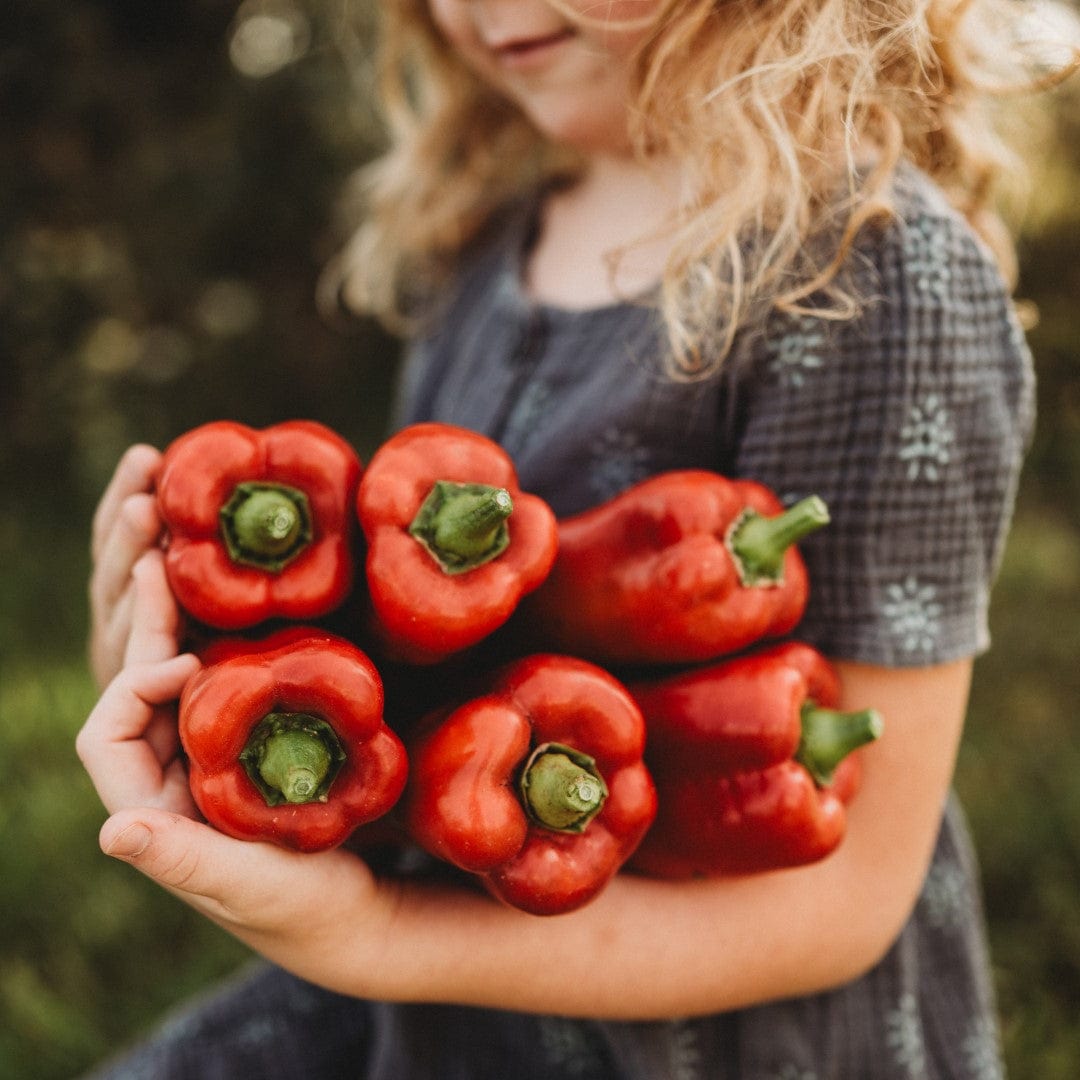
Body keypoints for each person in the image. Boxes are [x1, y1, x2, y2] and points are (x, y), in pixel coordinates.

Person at [76, 1, 1076, 1076]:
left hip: (722, 1039)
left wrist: (381, 936)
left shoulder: (874, 273)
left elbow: (845, 901)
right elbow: (397, 683)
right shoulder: (481, 239)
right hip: (439, 1010)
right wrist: (171, 667)